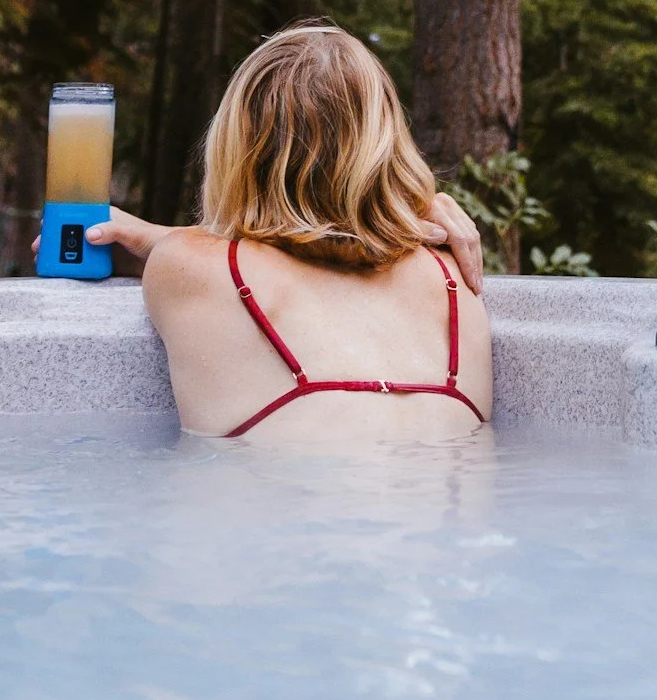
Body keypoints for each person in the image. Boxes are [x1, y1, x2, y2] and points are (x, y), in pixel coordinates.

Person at [83, 24, 493, 441]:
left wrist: (156, 239)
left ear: (239, 147)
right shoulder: (456, 276)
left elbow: (229, 250)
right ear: (385, 144)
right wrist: (404, 205)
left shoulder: (187, 265)